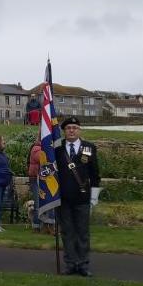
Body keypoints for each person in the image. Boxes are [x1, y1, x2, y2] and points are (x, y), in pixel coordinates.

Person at [57, 116, 101, 276]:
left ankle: (83, 264)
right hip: (63, 198)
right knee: (67, 232)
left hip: (82, 198)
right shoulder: (57, 148)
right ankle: (70, 263)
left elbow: (95, 174)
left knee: (82, 233)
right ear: (64, 131)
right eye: (68, 128)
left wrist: (94, 197)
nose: (71, 130)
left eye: (74, 128)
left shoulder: (89, 148)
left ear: (79, 130)